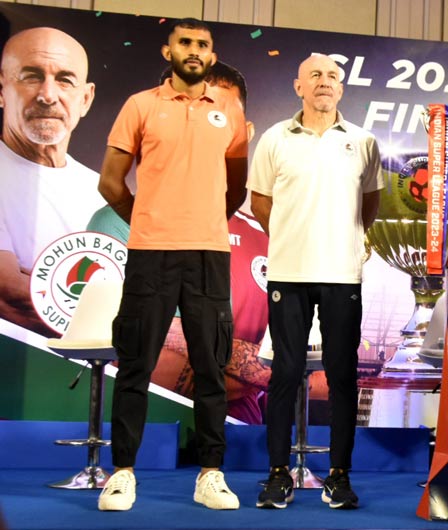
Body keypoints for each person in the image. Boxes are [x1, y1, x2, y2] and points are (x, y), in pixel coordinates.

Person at [95, 18, 248, 511]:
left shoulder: (229, 107)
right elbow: (111, 183)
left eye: (203, 44)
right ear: (168, 49)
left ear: (210, 54)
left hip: (208, 255)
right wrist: (146, 219)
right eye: (186, 42)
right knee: (136, 363)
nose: (195, 51)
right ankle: (121, 473)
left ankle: (211, 474)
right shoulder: (141, 105)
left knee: (210, 366)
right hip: (150, 253)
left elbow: (236, 187)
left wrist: (203, 221)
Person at [88, 61, 270, 425]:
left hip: (243, 442)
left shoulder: (264, 238)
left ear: (243, 133)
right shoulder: (114, 224)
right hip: (153, 436)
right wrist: (276, 370)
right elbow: (154, 359)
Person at [249, 53, 382, 510]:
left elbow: (371, 203)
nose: (324, 83)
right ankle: (277, 475)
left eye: (332, 77)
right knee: (285, 374)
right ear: (298, 87)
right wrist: (293, 239)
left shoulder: (364, 142)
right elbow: (261, 202)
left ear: (341, 90)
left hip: (343, 275)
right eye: (315, 76)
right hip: (288, 273)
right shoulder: (274, 139)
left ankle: (339, 477)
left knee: (343, 377)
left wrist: (345, 242)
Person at [0, 27, 104, 335]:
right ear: (2, 90)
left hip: (95, 379)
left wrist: (44, 289)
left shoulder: (105, 195)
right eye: (31, 76)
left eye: (65, 80)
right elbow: (10, 296)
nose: (47, 95)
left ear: (85, 99)